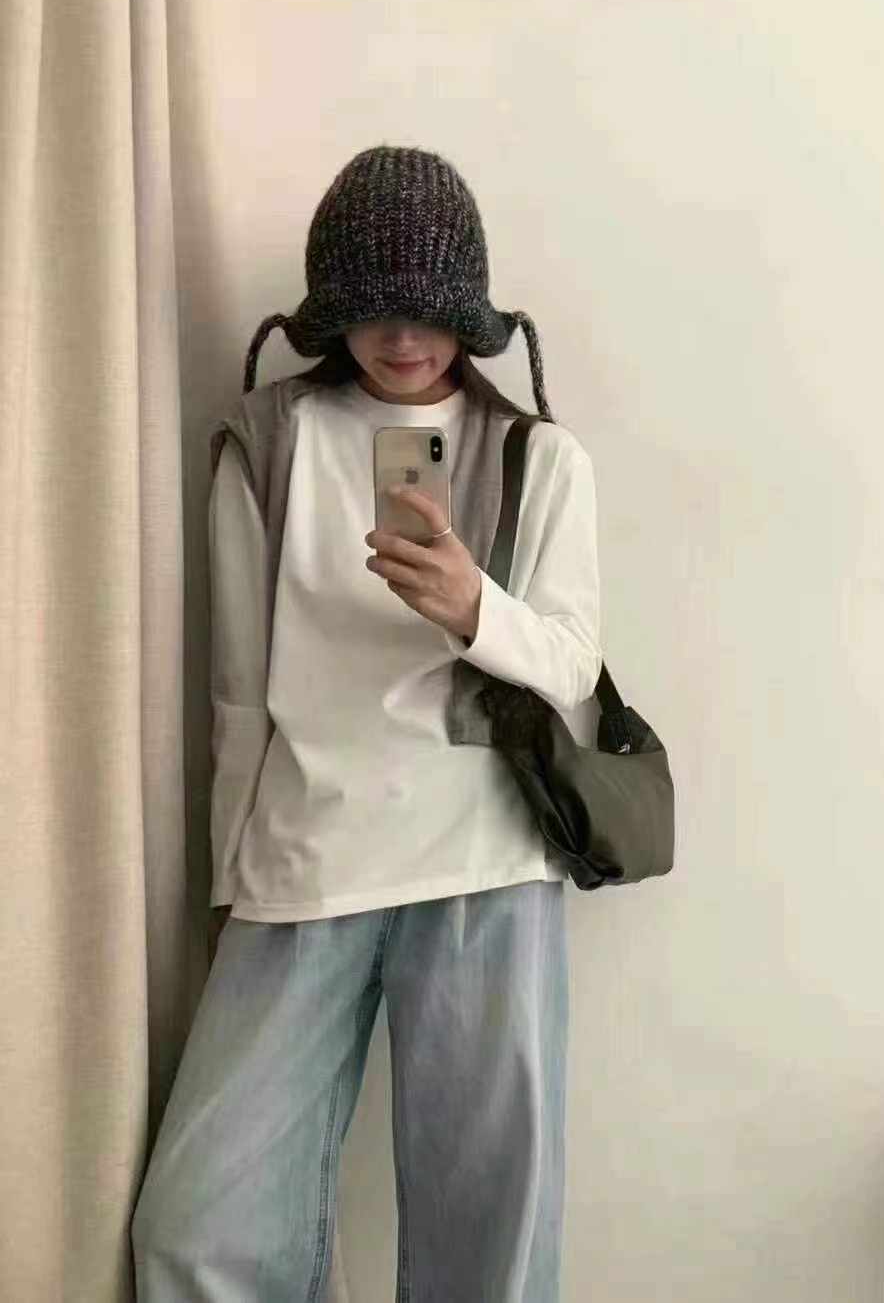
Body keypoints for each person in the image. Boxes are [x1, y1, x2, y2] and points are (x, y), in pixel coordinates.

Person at [130, 144, 602, 1302]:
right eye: (372, 308)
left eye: (428, 310)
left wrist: (471, 605)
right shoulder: (265, 443)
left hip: (485, 862)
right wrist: (229, 880)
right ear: (330, 308)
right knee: (197, 1225)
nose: (401, 338)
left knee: (487, 1244)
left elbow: (571, 667)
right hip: (304, 860)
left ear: (467, 313)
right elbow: (239, 692)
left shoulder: (538, 456)